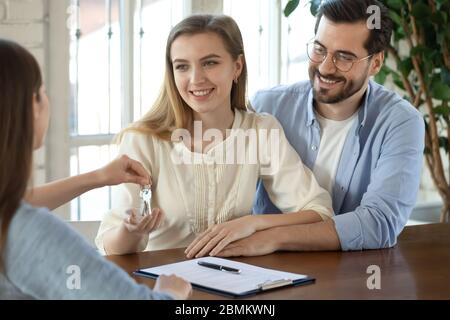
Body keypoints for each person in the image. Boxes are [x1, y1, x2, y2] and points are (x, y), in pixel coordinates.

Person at [95, 14, 333, 257]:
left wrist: (253, 223)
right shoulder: (143, 140)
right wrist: (131, 231)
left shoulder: (260, 131)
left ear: (236, 67)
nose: (196, 79)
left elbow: (319, 211)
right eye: (182, 66)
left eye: (209, 63)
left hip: (233, 282)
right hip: (162, 286)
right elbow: (111, 248)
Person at [214, 0, 425, 257]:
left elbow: (379, 223)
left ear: (376, 63)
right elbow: (219, 175)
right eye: (319, 49)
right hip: (261, 269)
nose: (325, 67)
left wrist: (272, 237)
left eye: (344, 57)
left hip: (349, 277)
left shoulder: (400, 122)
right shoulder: (267, 105)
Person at [0, 39, 192, 299]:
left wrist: (99, 177)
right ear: (29, 107)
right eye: (41, 92)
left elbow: (14, 202)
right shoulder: (30, 234)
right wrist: (170, 292)